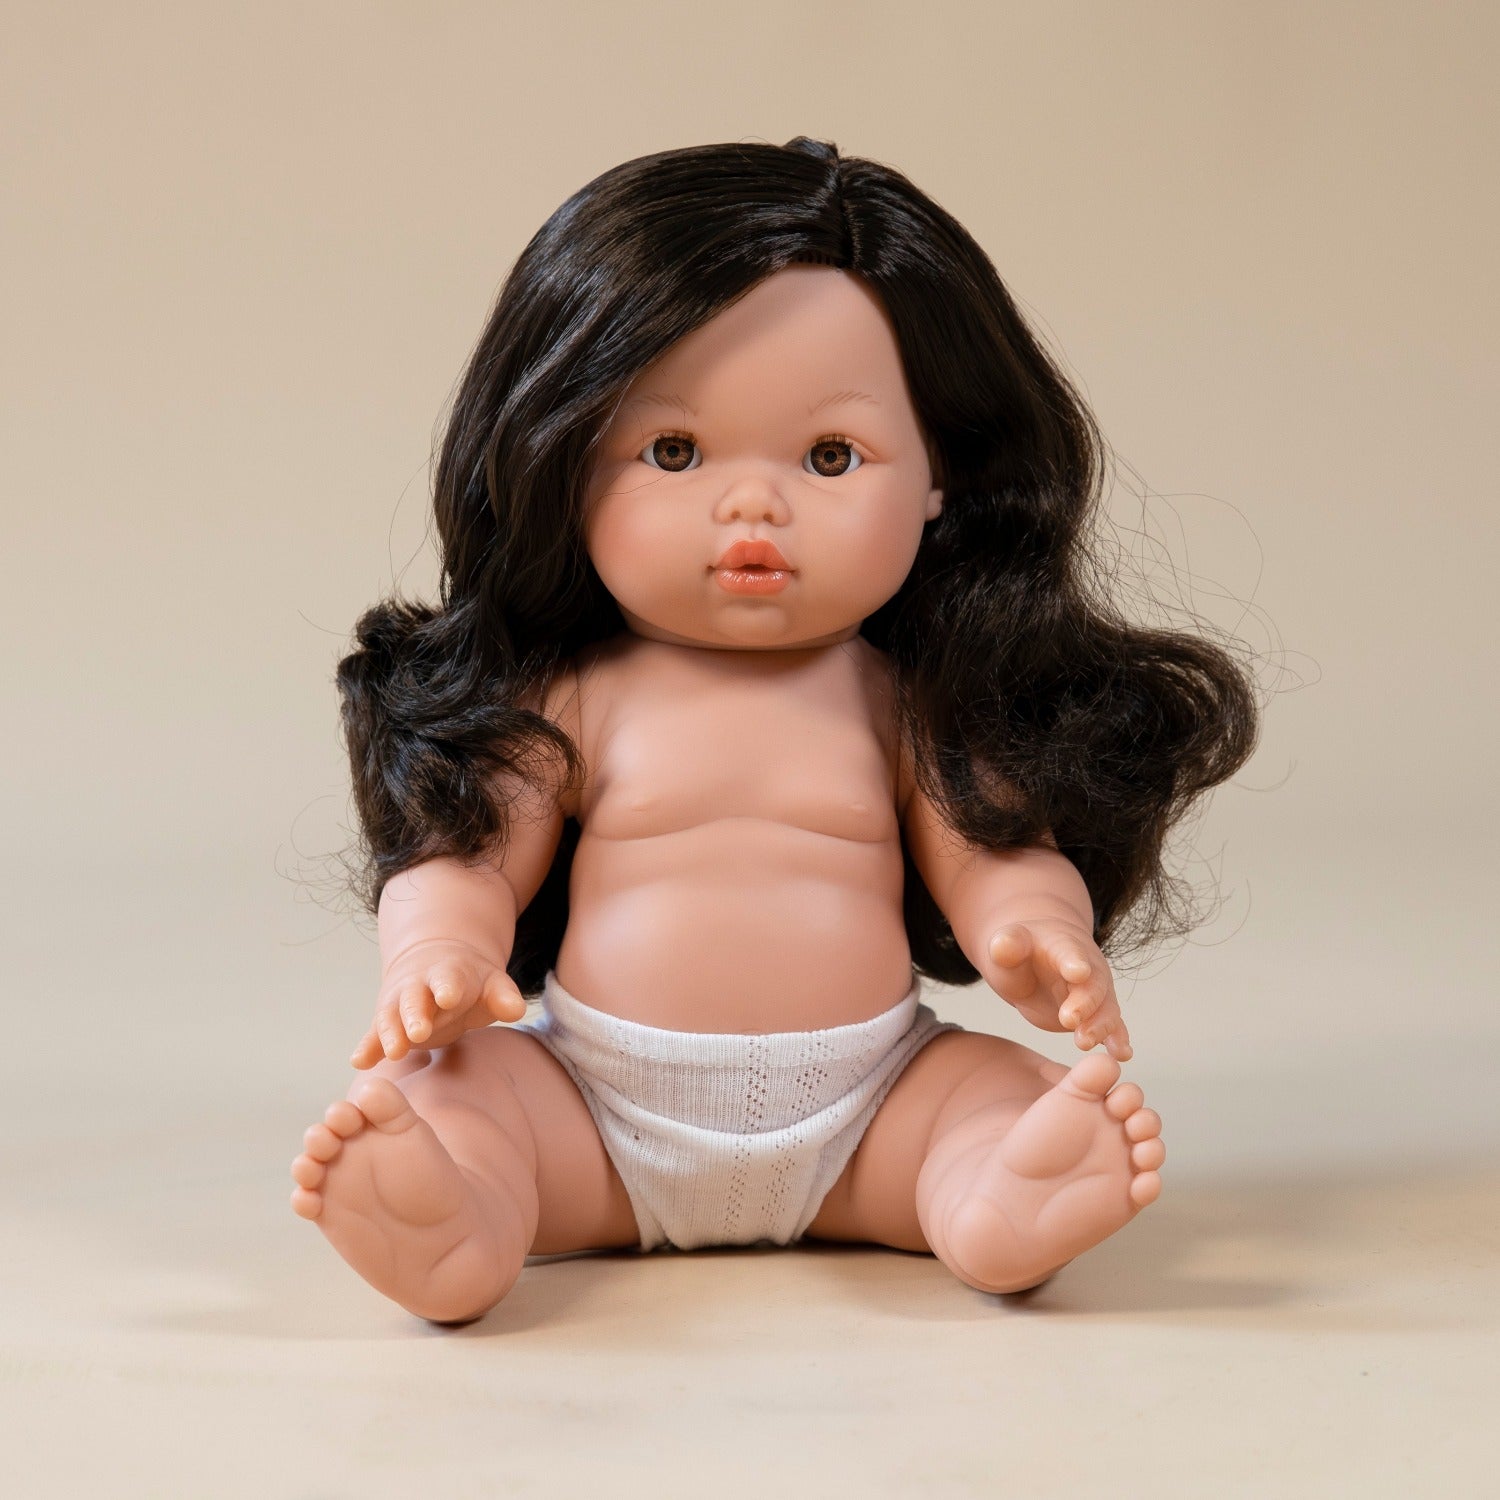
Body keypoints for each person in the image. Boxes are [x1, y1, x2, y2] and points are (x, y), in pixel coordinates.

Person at [289, 138, 1257, 1322]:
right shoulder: (574, 697)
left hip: (869, 1104)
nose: (755, 504)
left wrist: (1035, 929)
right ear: (564, 461)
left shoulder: (906, 704)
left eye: (830, 457)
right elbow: (469, 857)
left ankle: (988, 1199)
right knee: (461, 1089)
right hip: (594, 1103)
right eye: (674, 452)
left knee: (988, 1094)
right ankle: (465, 1216)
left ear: (942, 479)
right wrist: (436, 956)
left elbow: (992, 851)